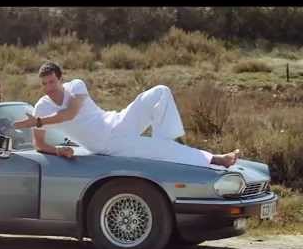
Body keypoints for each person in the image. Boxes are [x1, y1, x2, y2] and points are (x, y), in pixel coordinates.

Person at [14, 61, 240, 168]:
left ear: (61, 79)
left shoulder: (76, 86)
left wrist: (39, 121)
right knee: (159, 148)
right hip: (105, 143)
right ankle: (216, 159)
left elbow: (70, 113)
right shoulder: (42, 107)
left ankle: (165, 142)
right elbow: (39, 144)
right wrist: (58, 150)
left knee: (160, 92)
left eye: (52, 82)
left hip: (116, 120)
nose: (48, 87)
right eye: (44, 84)